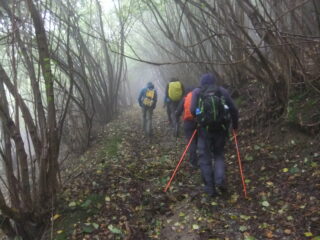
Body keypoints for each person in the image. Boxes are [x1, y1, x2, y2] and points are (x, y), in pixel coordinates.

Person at [190, 73, 238, 197]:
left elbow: (192, 110)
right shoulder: (222, 91)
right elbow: (233, 109)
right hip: (221, 130)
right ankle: (220, 180)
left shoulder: (197, 92)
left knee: (205, 159)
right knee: (219, 155)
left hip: (204, 131)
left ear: (202, 82)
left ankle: (210, 189)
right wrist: (235, 126)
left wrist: (199, 118)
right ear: (214, 81)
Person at [175, 87, 198, 168]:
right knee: (201, 141)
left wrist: (177, 116)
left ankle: (193, 162)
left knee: (192, 143)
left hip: (188, 122)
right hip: (199, 122)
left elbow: (178, 112)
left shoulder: (185, 98)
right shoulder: (199, 96)